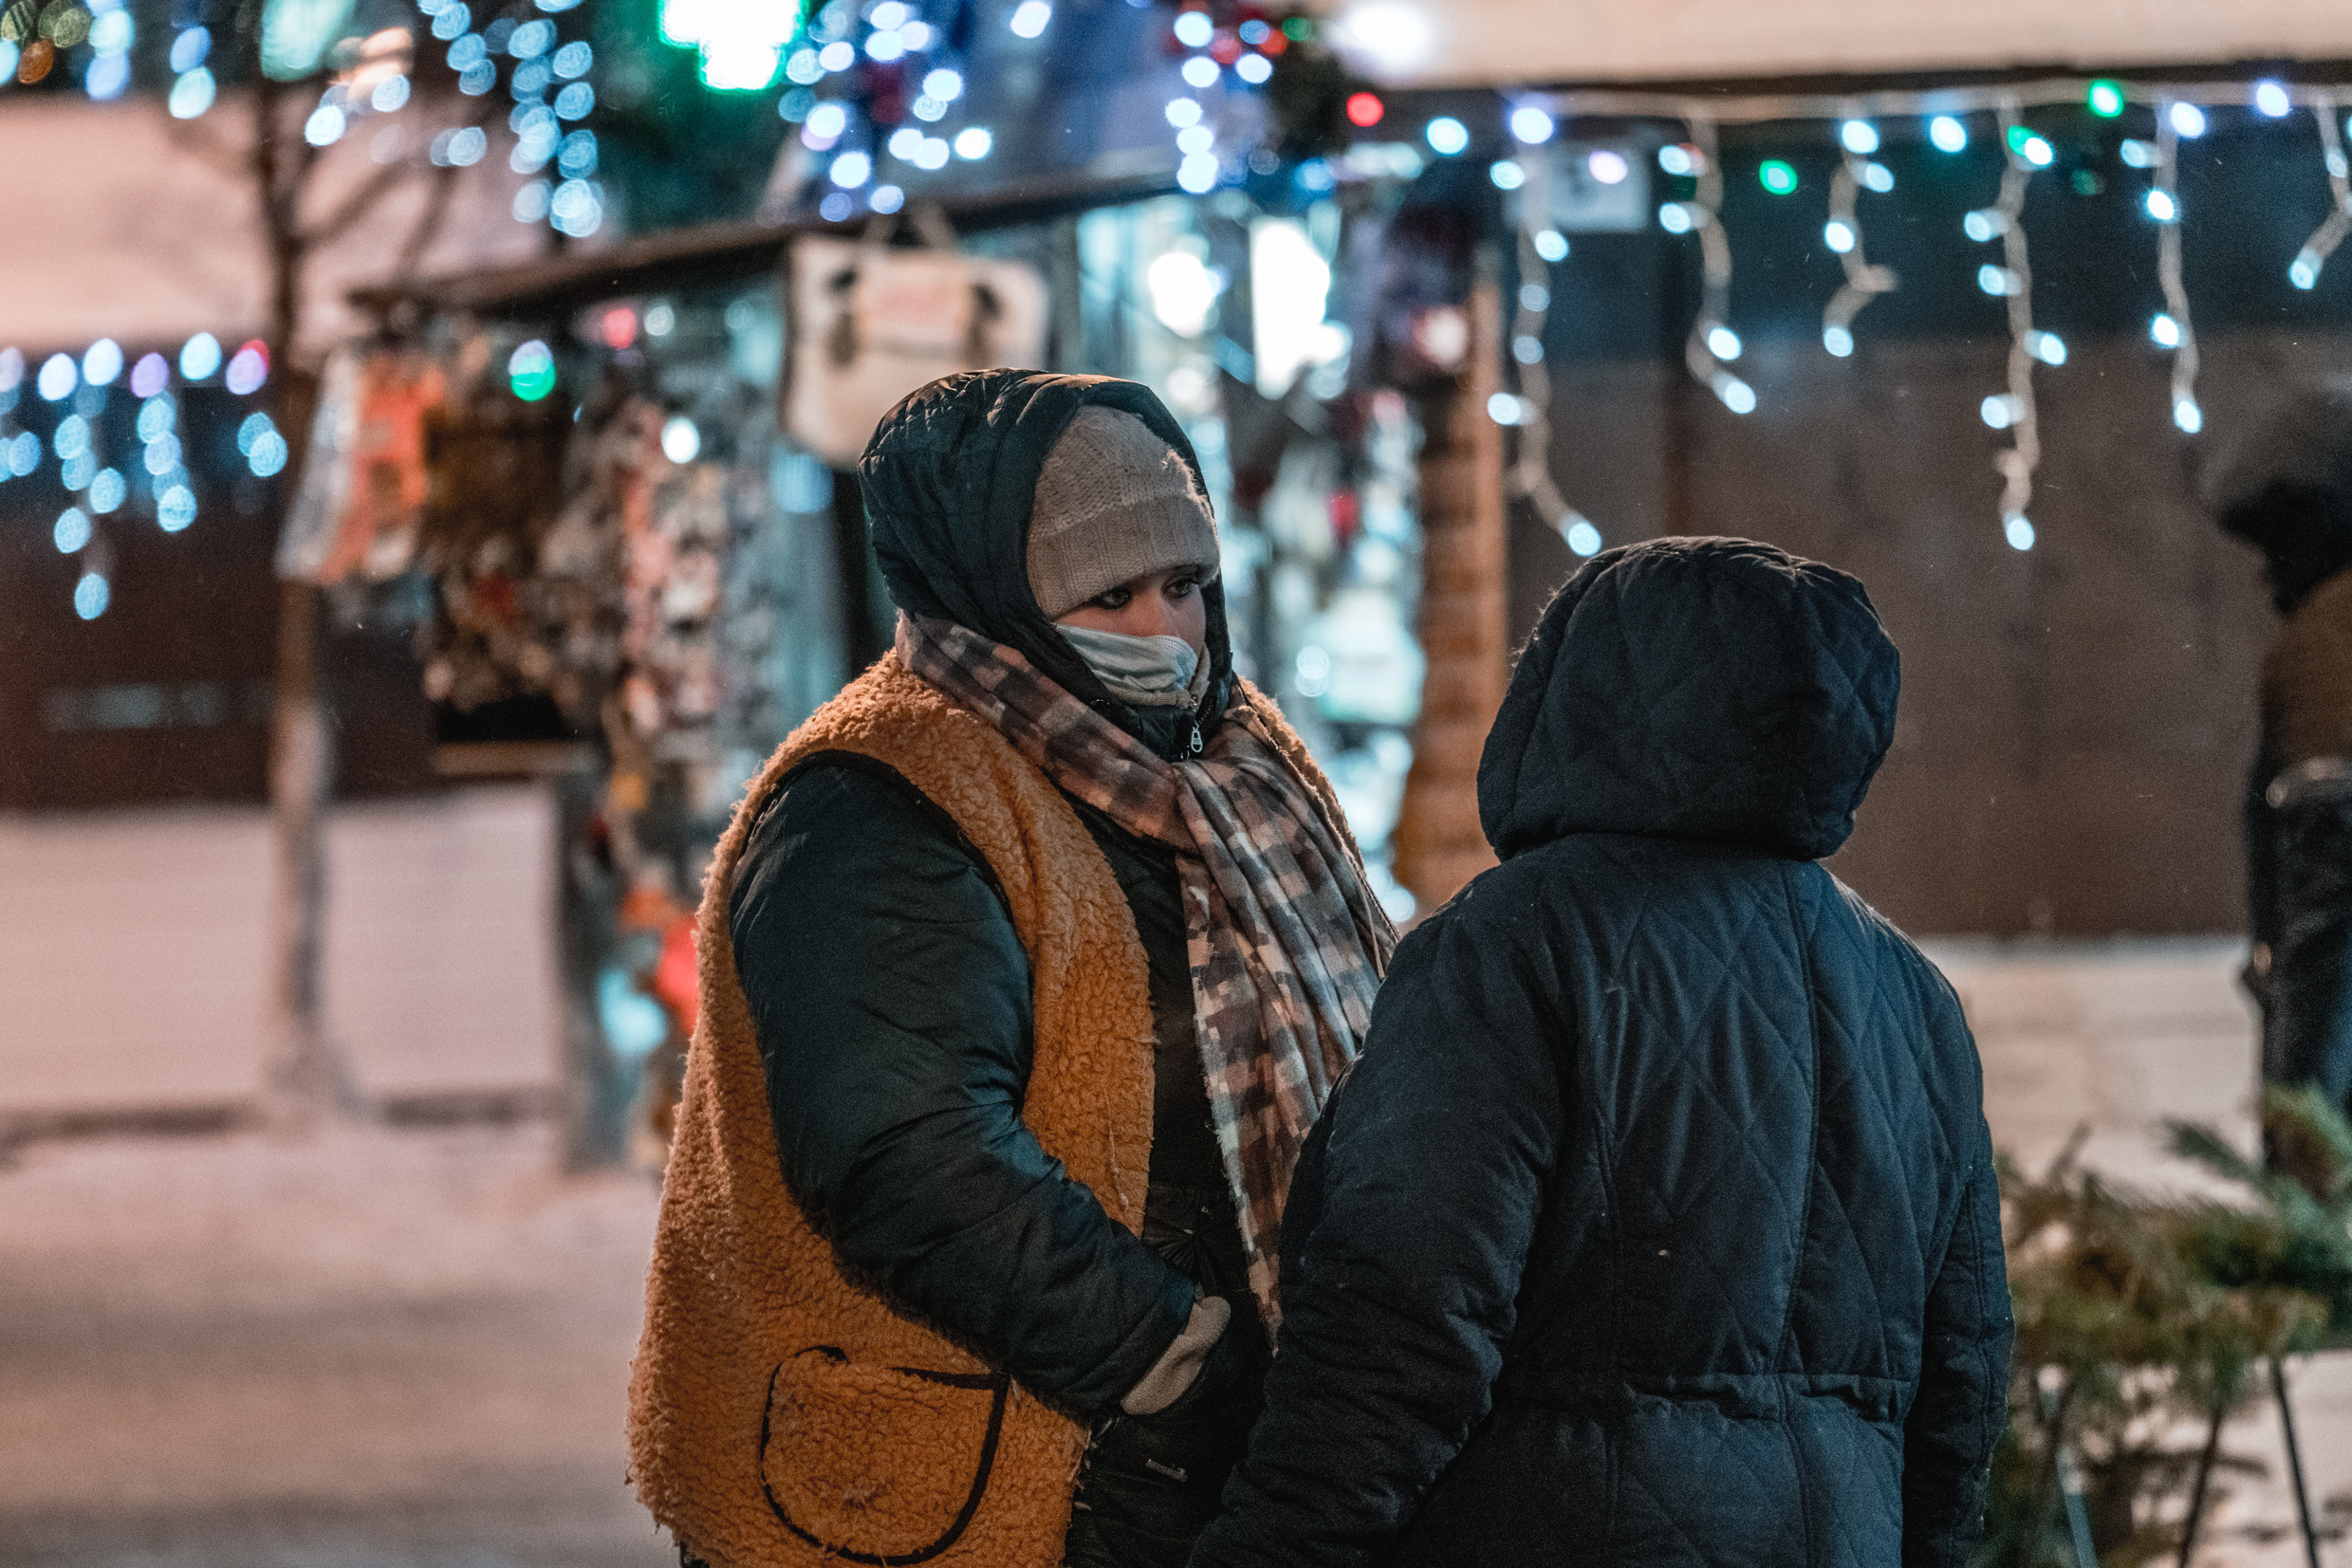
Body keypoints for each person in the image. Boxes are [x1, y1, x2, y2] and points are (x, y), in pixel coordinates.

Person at [627, 370, 1395, 1568]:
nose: (1161, 632)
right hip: (973, 1482)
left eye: (1185, 586)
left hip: (1184, 1473)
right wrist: (1176, 1364)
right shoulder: (881, 797)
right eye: (1109, 595)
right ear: (993, 597)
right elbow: (901, 1152)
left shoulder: (1237, 770)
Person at [1191, 537, 2012, 1568]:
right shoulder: (1911, 995)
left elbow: (1401, 1316)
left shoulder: (1512, 945)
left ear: (1578, 697)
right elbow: (1962, 1376)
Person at [2209, 378, 2352, 1120]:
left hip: (2325, 830)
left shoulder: (2304, 642)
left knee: (2311, 1075)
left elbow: (2265, 819)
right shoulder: (2312, 639)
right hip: (2329, 821)